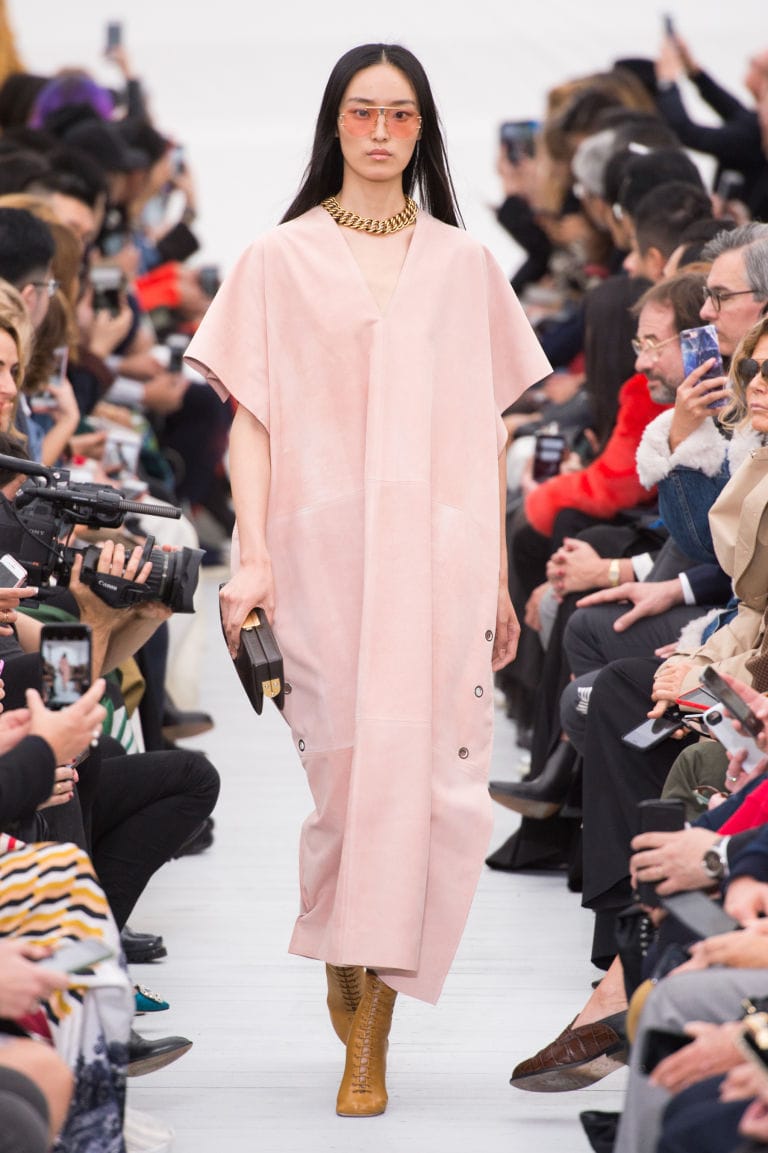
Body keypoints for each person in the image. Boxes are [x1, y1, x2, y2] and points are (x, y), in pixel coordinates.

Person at [185, 42, 550, 1117]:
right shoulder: (277, 259)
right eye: (362, 112)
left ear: (423, 129)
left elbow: (485, 432)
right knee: (344, 785)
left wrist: (495, 578)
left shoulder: (465, 266)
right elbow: (252, 423)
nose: (381, 132)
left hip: (438, 556)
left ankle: (370, 1038)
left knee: (420, 783)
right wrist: (253, 553)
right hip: (320, 554)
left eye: (399, 114)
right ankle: (345, 951)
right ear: (334, 124)